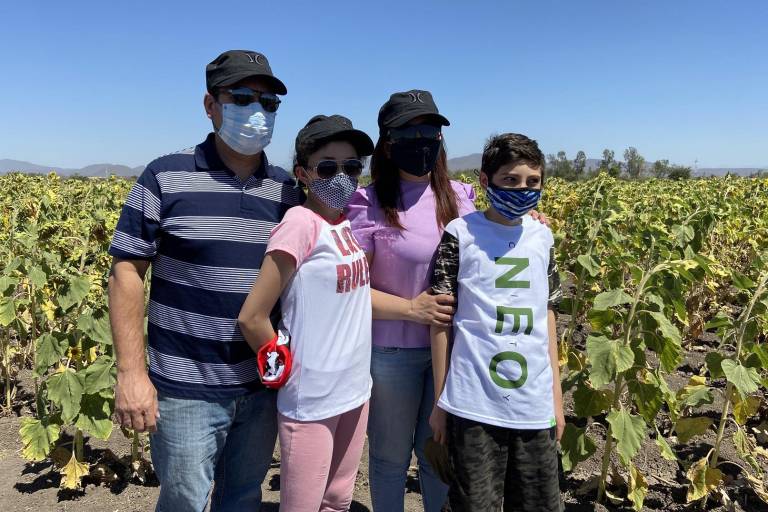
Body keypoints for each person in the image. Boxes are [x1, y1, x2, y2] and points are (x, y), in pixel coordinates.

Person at [108, 50, 298, 511]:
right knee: (185, 502)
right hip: (185, 389)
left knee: (242, 499)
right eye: (242, 98)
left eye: (268, 102)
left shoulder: (288, 191)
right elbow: (127, 272)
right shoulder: (164, 176)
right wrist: (131, 374)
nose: (257, 110)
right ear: (210, 105)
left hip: (261, 386)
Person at [345, 90, 476, 512]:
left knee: (439, 453)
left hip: (452, 351)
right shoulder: (367, 203)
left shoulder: (462, 197)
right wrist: (411, 309)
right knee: (389, 458)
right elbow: (350, 289)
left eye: (430, 131)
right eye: (408, 133)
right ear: (387, 143)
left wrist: (531, 221)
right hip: (391, 353)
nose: (421, 141)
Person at [238, 114, 375, 512]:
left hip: (355, 389)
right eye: (328, 168)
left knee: (337, 501)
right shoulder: (300, 223)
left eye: (352, 167)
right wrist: (284, 373)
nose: (342, 177)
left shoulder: (343, 224)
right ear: (302, 173)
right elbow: (252, 317)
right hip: (312, 398)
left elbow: (355, 297)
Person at [429, 133, 565, 512]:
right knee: (474, 504)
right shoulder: (460, 234)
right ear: (485, 180)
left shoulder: (543, 236)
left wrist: (556, 400)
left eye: (532, 182)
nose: (523, 190)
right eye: (511, 179)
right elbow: (440, 321)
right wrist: (441, 402)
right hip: (473, 404)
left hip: (533, 404)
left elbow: (547, 317)